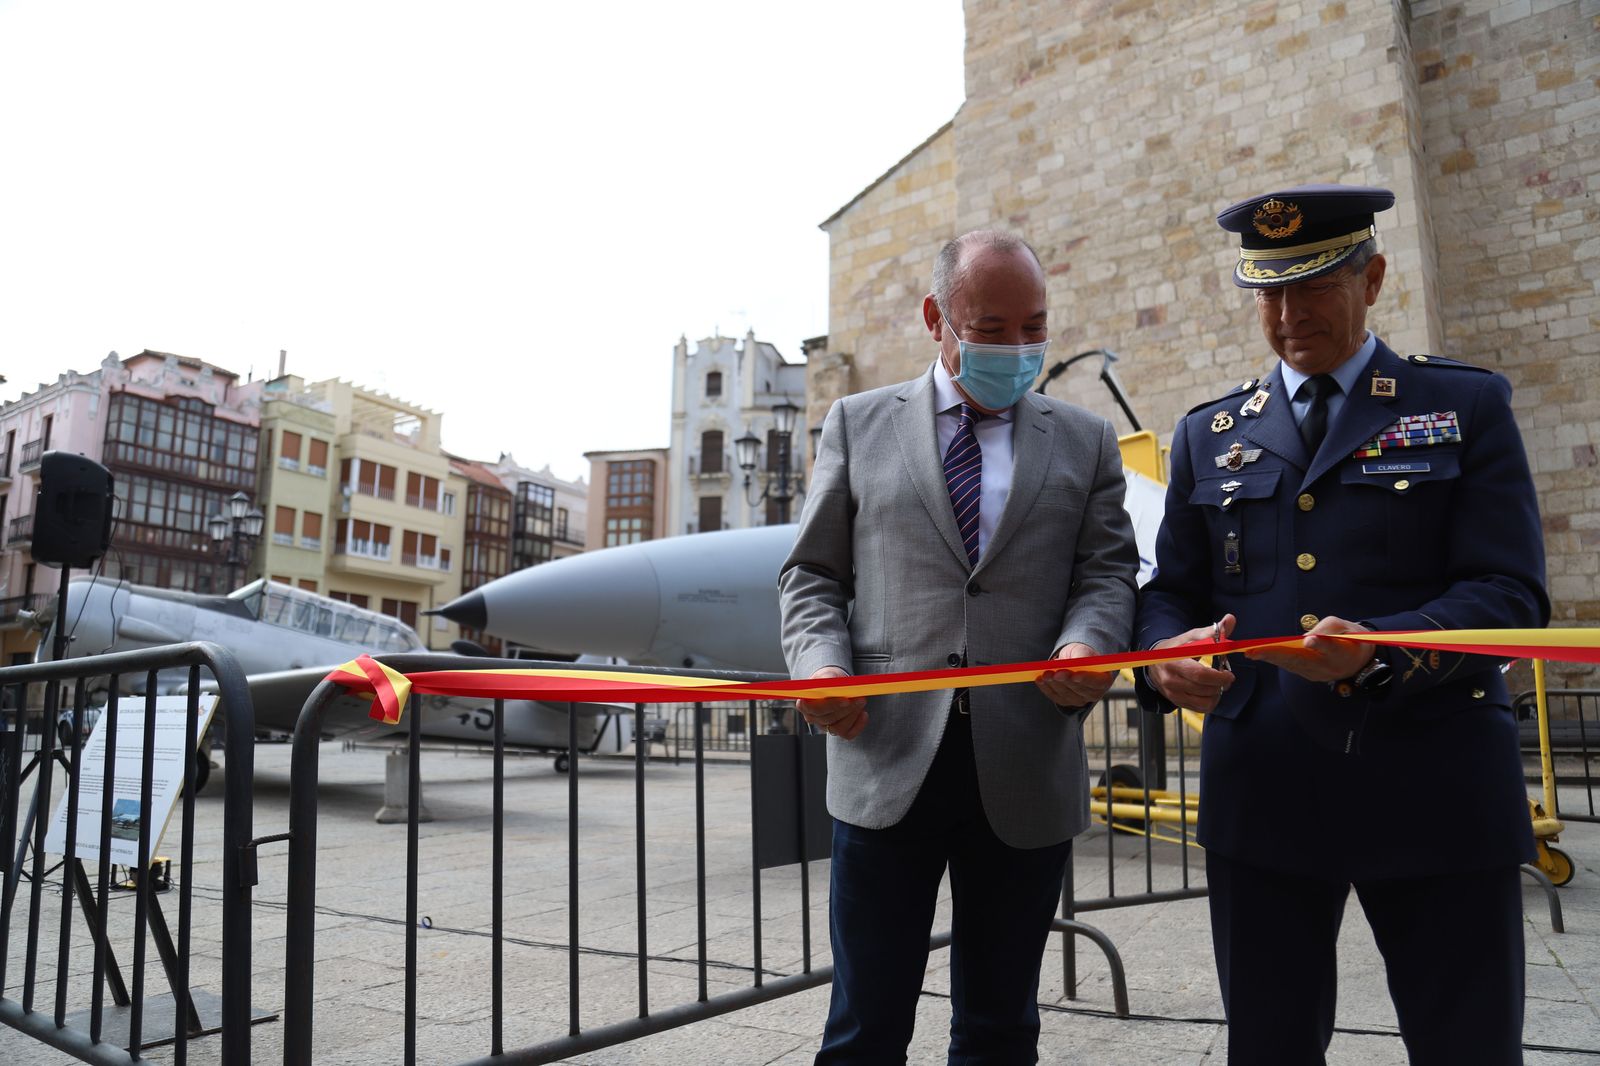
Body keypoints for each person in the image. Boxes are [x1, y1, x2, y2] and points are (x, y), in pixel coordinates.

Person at [1134, 184, 1549, 1064]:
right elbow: (1171, 591)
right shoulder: (1209, 434)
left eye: (1315, 287)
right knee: (1269, 1047)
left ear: (1374, 279)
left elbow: (1509, 593)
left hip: (1435, 780)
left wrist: (1377, 653)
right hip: (1265, 791)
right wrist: (1162, 655)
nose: (1289, 316)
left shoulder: (1463, 405)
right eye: (1269, 294)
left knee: (1467, 1046)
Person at [779, 229, 1138, 1064]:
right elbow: (812, 575)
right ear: (935, 318)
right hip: (885, 757)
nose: (1018, 348)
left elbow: (1107, 574)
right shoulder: (858, 424)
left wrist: (1086, 645)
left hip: (1026, 758)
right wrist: (821, 664)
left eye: (1034, 327)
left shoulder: (1085, 440)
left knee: (1000, 1027)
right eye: (991, 328)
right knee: (864, 1027)